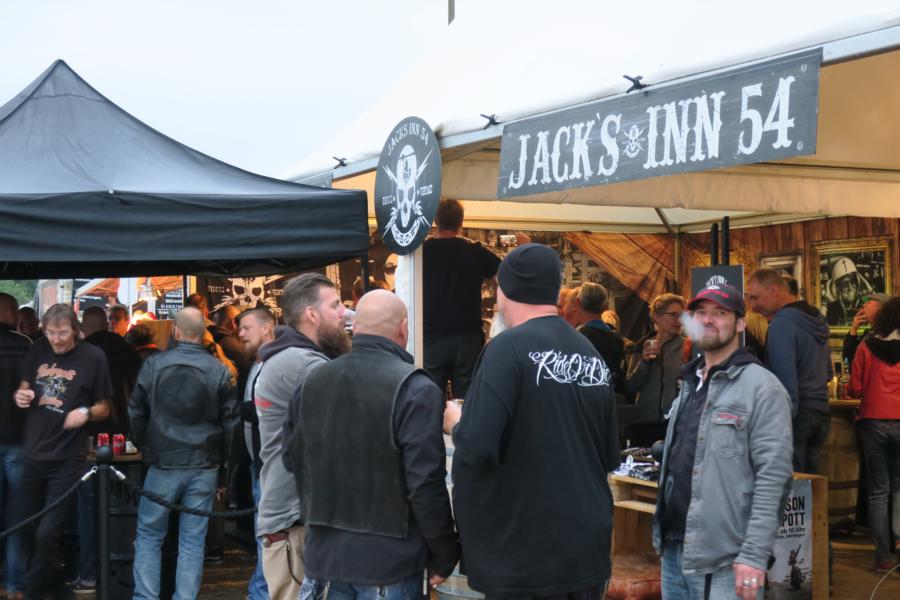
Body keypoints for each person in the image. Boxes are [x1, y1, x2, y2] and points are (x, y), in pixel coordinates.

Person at [444, 243, 619, 598]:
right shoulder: (590, 353)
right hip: (585, 547)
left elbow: (477, 445)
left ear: (504, 290)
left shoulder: (505, 349)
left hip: (526, 553)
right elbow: (609, 454)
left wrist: (456, 422)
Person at [285, 290, 460, 598]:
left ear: (355, 327)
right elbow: (424, 484)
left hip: (326, 555)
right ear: (403, 328)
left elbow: (291, 459)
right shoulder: (416, 388)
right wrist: (444, 553)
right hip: (389, 562)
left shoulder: (312, 381)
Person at [654, 284, 793, 600]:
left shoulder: (763, 388)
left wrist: (754, 554)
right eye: (700, 313)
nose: (707, 320)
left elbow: (774, 478)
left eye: (720, 313)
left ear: (740, 323)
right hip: (675, 549)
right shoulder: (690, 381)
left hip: (726, 559)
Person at [128, 307, 238, 600]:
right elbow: (230, 425)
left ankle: (145, 597)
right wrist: (224, 470)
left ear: (175, 331)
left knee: (150, 535)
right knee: (193, 540)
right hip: (204, 462)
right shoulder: (219, 369)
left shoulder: (153, 364)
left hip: (163, 460)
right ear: (203, 333)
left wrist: (145, 447)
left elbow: (135, 412)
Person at [255, 273, 348, 600]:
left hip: (291, 516)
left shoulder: (288, 357)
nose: (343, 312)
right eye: (335, 305)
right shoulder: (304, 363)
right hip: (295, 521)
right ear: (311, 314)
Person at [14, 303, 112, 600]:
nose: (56, 340)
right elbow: (24, 386)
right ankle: (54, 586)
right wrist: (21, 395)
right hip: (33, 452)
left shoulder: (93, 357)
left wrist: (85, 412)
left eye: (62, 333)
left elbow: (105, 407)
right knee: (24, 528)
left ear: (76, 330)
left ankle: (33, 593)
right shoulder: (39, 348)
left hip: (67, 458)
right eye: (51, 333)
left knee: (48, 531)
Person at [72, 306, 142, 592]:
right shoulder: (127, 351)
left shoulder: (80, 354)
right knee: (125, 509)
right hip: (126, 441)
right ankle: (125, 570)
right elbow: (139, 393)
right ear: (107, 324)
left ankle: (88, 573)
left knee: (87, 510)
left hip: (87, 440)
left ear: (84, 327)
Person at [746, 268, 831, 473]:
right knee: (811, 485)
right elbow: (829, 372)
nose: (752, 305)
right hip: (821, 413)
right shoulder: (817, 319)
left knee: (790, 486)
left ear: (774, 290)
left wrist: (778, 424)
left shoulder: (782, 324)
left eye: (755, 297)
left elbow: (784, 382)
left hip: (796, 418)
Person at [422, 198, 502, 398]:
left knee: (430, 398)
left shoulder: (421, 252)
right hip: (467, 338)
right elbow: (504, 278)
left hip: (431, 338)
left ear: (436, 221)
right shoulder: (475, 251)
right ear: (461, 222)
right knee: (466, 401)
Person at [847, 295, 900, 573]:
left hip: (873, 421)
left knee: (879, 490)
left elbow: (854, 389)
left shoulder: (867, 346)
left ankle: (883, 557)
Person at [236, 307, 277, 600]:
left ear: (266, 328)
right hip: (258, 467)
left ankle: (260, 594)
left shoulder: (276, 364)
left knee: (268, 538)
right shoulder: (255, 364)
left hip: (272, 470)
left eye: (246, 328)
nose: (239, 334)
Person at [0, 293, 31, 600]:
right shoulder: (24, 345)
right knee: (18, 515)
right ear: (10, 312)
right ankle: (15, 584)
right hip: (19, 440)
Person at [624, 293, 686, 447]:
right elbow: (630, 386)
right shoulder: (641, 346)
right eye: (673, 314)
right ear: (656, 317)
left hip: (676, 423)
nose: (678, 320)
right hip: (645, 424)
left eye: (681, 315)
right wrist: (644, 362)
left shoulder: (687, 348)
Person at [576, 282, 625, 392]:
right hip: (611, 393)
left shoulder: (577, 338)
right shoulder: (617, 338)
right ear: (605, 306)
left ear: (578, 303)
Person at [842, 293, 890, 373]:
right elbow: (848, 357)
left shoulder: (888, 335)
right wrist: (854, 329)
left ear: (881, 309)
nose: (863, 305)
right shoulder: (868, 333)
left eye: (869, 303)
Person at [824, 256, 874, 328]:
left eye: (853, 282)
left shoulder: (863, 303)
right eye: (845, 284)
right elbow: (818, 327)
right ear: (837, 288)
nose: (850, 287)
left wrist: (870, 292)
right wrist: (826, 301)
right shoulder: (832, 309)